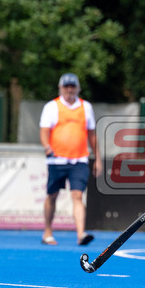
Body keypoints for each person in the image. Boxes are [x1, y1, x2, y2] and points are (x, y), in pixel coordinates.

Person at [39, 72, 102, 246]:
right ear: (60, 88)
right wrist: (47, 147)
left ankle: (81, 234)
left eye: (72, 86)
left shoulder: (86, 107)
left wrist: (98, 158)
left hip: (79, 160)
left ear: (78, 88)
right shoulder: (52, 107)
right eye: (66, 86)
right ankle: (47, 231)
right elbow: (44, 131)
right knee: (52, 195)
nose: (69, 90)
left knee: (77, 195)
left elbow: (92, 135)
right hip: (57, 160)